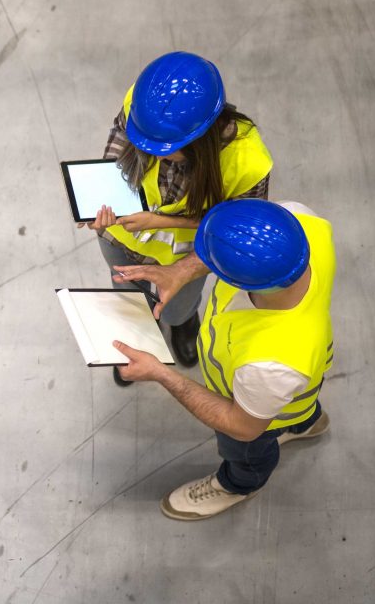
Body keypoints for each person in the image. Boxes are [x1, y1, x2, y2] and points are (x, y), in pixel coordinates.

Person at [111, 199, 335, 520]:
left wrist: (161, 373)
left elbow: (242, 426)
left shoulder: (271, 366)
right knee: (296, 403)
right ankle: (306, 422)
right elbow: (240, 241)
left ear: (246, 283)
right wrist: (179, 271)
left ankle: (237, 485)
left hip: (256, 411)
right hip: (300, 376)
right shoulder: (302, 219)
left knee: (246, 452)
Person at [80, 51, 273, 383]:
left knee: (177, 307)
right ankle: (140, 334)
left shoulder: (248, 163)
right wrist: (102, 195)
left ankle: (184, 324)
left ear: (201, 141)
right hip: (121, 236)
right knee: (128, 292)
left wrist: (162, 224)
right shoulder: (145, 105)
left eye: (162, 147)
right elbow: (121, 133)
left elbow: (234, 236)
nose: (150, 151)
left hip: (182, 259)